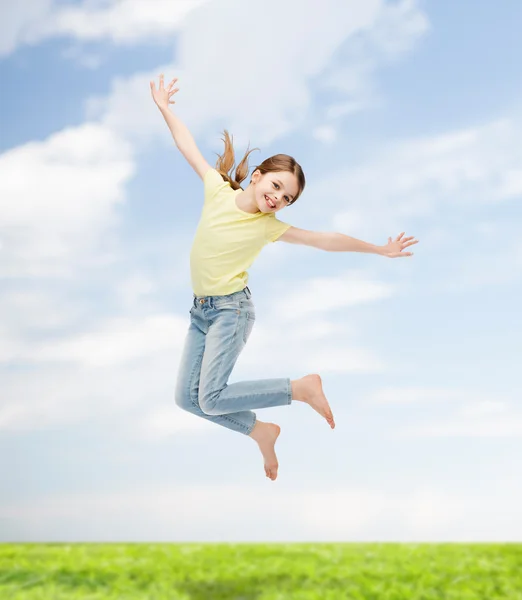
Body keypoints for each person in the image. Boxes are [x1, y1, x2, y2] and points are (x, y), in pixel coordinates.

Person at [150, 74, 419, 481]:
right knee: (188, 400)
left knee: (212, 396)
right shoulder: (217, 190)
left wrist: (379, 249)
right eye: (276, 186)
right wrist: (166, 108)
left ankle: (300, 388)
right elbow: (186, 145)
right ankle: (261, 431)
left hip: (230, 312)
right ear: (257, 176)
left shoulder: (267, 226)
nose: (278, 199)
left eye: (287, 198)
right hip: (200, 312)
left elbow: (324, 240)